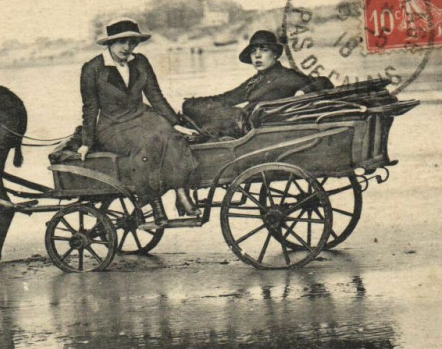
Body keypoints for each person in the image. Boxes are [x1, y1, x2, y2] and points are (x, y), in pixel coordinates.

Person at [78, 18, 199, 227]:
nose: (127, 47)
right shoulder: (93, 69)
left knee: (173, 136)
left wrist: (175, 123)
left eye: (132, 42)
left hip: (143, 117)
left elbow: (155, 96)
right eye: (122, 42)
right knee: (145, 144)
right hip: (113, 126)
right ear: (110, 43)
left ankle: (181, 192)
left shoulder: (140, 61)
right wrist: (86, 142)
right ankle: (155, 203)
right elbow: (90, 108)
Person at [182, 30, 333, 137]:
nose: (257, 55)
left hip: (255, 130)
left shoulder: (287, 76)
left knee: (198, 112)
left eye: (264, 50)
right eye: (253, 51)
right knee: (191, 106)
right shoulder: (255, 80)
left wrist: (303, 92)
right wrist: (196, 102)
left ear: (275, 54)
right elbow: (227, 98)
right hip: (246, 124)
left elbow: (324, 82)